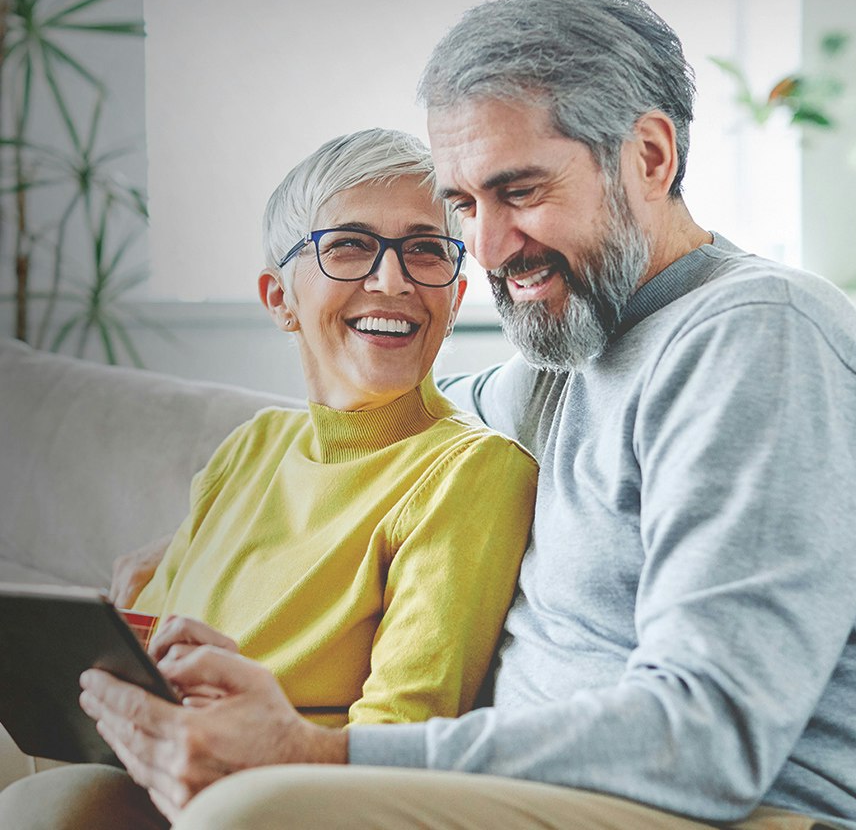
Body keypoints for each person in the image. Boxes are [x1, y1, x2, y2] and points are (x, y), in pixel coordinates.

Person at [6, 0, 856, 830]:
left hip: (793, 809)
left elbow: (711, 733)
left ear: (649, 156)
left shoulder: (757, 337)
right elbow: (355, 434)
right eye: (465, 205)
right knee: (67, 805)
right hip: (611, 799)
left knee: (255, 812)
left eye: (520, 190)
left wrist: (317, 749)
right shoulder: (561, 350)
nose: (487, 247)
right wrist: (202, 582)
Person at [0, 128, 536, 827]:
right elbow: (155, 656)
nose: (393, 280)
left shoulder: (471, 470)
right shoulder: (254, 446)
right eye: (349, 245)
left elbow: (399, 736)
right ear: (279, 298)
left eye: (426, 250)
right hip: (151, 767)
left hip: (288, 797)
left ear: (455, 294)